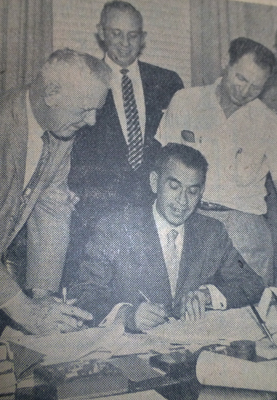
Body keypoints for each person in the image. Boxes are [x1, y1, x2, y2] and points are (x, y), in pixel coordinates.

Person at [0, 49, 110, 335]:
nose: (92, 121)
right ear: (51, 93)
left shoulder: (62, 131)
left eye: (97, 110)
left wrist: (43, 295)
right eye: (85, 109)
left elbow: (51, 212)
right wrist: (27, 311)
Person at [157, 37, 277, 294]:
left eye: (256, 87)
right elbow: (162, 173)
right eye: (241, 78)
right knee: (187, 314)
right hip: (190, 223)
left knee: (246, 317)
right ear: (226, 62)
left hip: (245, 234)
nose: (244, 91)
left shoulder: (270, 124)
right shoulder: (186, 102)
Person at [69, 143, 265, 331]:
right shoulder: (116, 228)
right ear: (155, 182)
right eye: (174, 187)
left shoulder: (212, 232)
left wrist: (207, 296)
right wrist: (128, 315)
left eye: (192, 191)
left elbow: (253, 283)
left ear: (201, 192)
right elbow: (83, 291)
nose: (182, 200)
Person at [65, 1, 184, 284]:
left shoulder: (167, 82)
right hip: (96, 212)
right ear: (101, 33)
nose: (125, 43)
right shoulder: (81, 79)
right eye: (116, 33)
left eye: (133, 35)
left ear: (143, 37)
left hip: (150, 211)